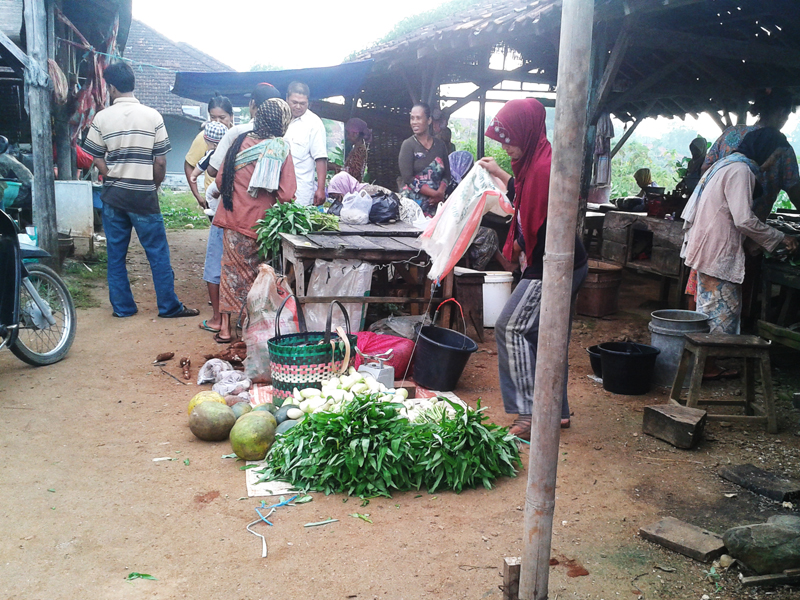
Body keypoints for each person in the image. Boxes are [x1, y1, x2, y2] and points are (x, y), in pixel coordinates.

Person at [477, 98, 588, 439]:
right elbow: (521, 191)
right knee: (544, 335)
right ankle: (558, 410)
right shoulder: (535, 161)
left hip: (554, 265)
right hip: (564, 261)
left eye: (510, 138)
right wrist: (497, 172)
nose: (507, 146)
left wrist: (523, 259)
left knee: (510, 327)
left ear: (527, 131)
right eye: (502, 140)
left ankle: (531, 414)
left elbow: (535, 218)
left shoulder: (543, 168)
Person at [84, 61, 197, 319]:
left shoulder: (101, 118)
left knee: (116, 256)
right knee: (157, 253)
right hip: (144, 196)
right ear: (132, 84)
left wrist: (110, 173)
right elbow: (160, 161)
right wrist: (153, 184)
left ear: (111, 87)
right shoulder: (153, 116)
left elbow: (95, 156)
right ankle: (168, 307)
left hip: (113, 196)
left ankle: (123, 308)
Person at [683, 127, 798, 343]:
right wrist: (782, 237)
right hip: (717, 251)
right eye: (775, 157)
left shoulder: (726, 164)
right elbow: (743, 219)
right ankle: (710, 363)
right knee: (719, 311)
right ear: (765, 151)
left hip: (710, 247)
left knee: (709, 308)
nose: (773, 164)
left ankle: (707, 362)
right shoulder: (741, 171)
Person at [213, 98, 297, 343]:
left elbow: (220, 182)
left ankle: (226, 330)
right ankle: (252, 332)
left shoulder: (239, 141)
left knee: (229, 274)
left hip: (232, 219)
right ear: (281, 122)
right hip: (261, 225)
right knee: (257, 278)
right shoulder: (280, 148)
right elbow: (286, 194)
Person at [702, 88, 800, 217]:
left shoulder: (730, 133)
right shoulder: (781, 147)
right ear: (782, 113)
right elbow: (794, 190)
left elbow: (705, 169)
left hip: (714, 219)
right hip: (751, 228)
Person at [188, 119, 228, 334]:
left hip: (219, 215)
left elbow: (199, 176)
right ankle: (237, 319)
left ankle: (218, 320)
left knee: (214, 266)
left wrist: (202, 197)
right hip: (241, 217)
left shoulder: (214, 158)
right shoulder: (241, 152)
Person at [206, 83, 281, 180]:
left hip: (240, 193)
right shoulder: (284, 135)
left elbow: (213, 170)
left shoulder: (237, 132)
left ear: (252, 103)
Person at [398, 102, 451, 217]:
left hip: (436, 205)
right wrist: (435, 194)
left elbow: (447, 175)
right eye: (412, 118)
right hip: (413, 205)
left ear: (429, 120)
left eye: (418, 118)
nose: (414, 122)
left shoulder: (440, 145)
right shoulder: (408, 145)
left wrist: (440, 193)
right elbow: (408, 178)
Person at [184, 94, 234, 208]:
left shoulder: (237, 135)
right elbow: (189, 164)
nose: (217, 121)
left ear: (231, 116)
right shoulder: (204, 137)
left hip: (234, 198)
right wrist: (198, 196)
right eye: (213, 117)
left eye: (222, 118)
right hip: (214, 198)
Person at [284, 81, 328, 206]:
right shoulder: (279, 118)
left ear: (308, 102)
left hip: (300, 192)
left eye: (303, 103)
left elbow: (320, 158)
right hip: (276, 191)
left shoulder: (314, 123)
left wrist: (320, 189)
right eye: (294, 102)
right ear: (287, 98)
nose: (298, 107)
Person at [343, 118, 371, 182]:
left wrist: (335, 167)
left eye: (348, 133)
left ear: (356, 134)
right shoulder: (357, 148)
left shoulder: (360, 151)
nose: (347, 137)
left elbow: (353, 174)